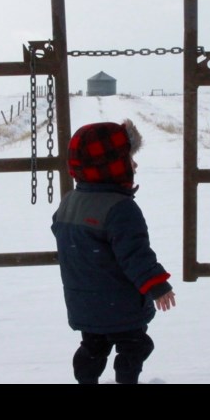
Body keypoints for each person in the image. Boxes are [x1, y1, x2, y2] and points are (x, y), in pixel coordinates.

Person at [51, 119, 176, 384]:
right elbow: (135, 254)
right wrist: (157, 284)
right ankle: (126, 381)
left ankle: (86, 380)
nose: (135, 165)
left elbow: (61, 232)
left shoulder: (70, 201)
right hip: (121, 306)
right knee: (136, 345)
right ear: (113, 166)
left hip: (83, 304)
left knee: (93, 347)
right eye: (130, 159)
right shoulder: (120, 209)